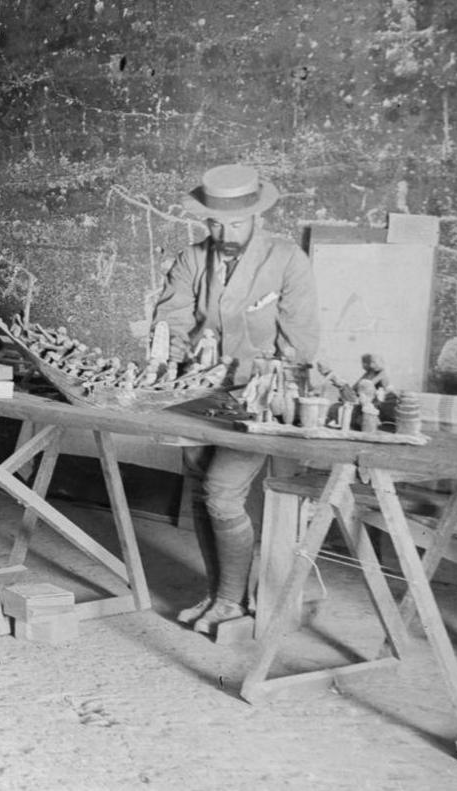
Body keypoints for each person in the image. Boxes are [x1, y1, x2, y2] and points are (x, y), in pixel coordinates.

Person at [152, 164, 319, 634]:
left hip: (259, 395)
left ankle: (231, 602)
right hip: (197, 393)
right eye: (216, 224)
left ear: (257, 217)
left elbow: (302, 344)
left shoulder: (287, 259)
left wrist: (256, 373)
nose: (226, 233)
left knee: (222, 492)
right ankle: (219, 594)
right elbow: (171, 323)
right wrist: (168, 361)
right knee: (202, 488)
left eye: (237, 224)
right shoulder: (190, 259)